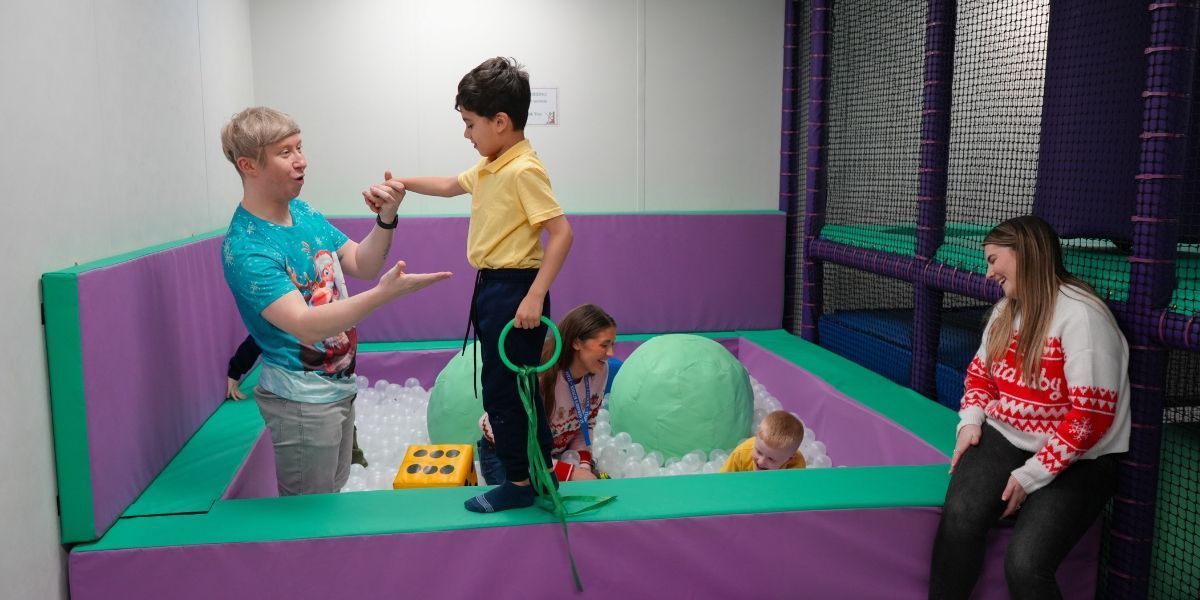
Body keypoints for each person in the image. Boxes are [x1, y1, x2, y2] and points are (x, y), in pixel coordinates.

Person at [220, 106, 451, 496]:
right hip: (301, 401)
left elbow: (362, 262)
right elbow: (307, 324)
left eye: (300, 147)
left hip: (338, 387)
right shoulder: (247, 247)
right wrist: (383, 296)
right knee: (310, 514)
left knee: (334, 492)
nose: (302, 160)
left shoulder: (303, 212)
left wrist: (387, 218)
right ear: (249, 165)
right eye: (285, 152)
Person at [386, 57, 574, 513]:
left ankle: (517, 482)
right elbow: (451, 184)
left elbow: (562, 233)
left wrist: (532, 296)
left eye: (470, 125)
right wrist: (401, 184)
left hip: (516, 290)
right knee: (514, 390)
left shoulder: (522, 169)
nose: (467, 134)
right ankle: (540, 475)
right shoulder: (493, 164)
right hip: (493, 288)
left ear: (501, 122)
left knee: (506, 393)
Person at [928, 215, 1131, 599]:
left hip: (1082, 459)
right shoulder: (1008, 311)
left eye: (992, 259)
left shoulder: (1082, 317)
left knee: (1025, 563)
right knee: (959, 519)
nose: (988, 273)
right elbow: (979, 377)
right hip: (1007, 436)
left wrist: (1030, 476)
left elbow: (1090, 418)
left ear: (1024, 254)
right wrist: (970, 422)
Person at [477, 304, 616, 484]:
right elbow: (522, 447)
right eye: (604, 345)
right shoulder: (540, 377)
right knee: (527, 502)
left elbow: (585, 422)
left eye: (612, 344)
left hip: (554, 453)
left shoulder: (600, 370)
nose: (611, 353)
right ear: (577, 343)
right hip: (510, 453)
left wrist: (583, 465)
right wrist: (570, 473)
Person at [225, 334, 367, 468]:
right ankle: (350, 458)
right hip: (307, 396)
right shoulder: (290, 319)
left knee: (342, 426)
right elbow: (257, 339)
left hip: (338, 389)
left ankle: (354, 457)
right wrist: (235, 371)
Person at [720, 410, 807, 472]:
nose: (761, 462)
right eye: (759, 452)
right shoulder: (741, 454)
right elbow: (723, 480)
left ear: (789, 460)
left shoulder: (796, 466)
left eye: (771, 459)